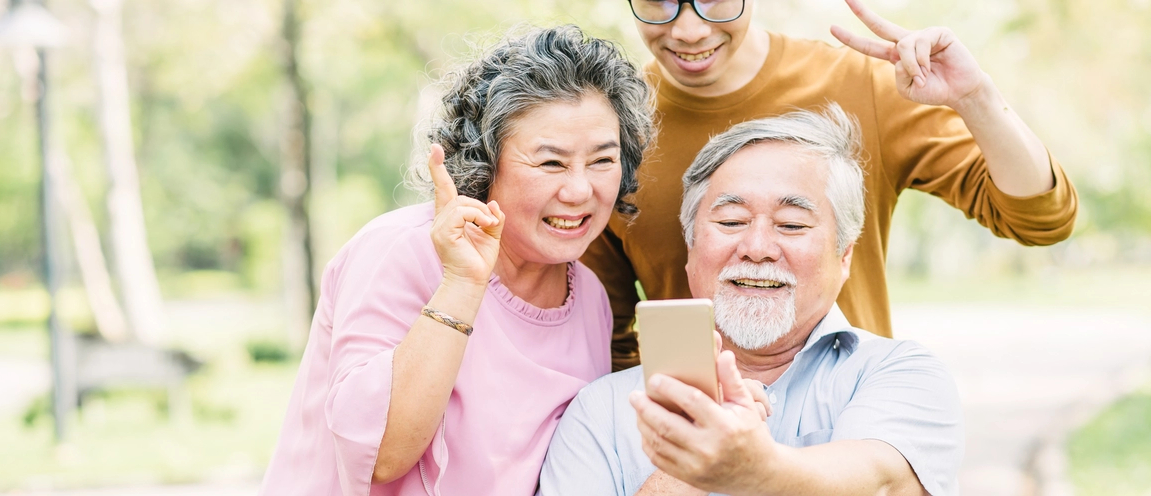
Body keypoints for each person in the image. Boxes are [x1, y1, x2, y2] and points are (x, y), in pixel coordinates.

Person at [259, 25, 654, 495]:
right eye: (550, 163)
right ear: (486, 163)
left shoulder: (589, 295)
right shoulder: (398, 249)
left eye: (603, 161)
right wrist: (464, 282)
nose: (579, 191)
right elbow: (381, 457)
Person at [591, 0, 1080, 370]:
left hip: (854, 431)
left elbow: (1039, 218)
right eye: (658, 0)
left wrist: (976, 98)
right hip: (699, 445)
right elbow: (603, 338)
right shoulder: (612, 130)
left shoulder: (859, 84)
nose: (689, 29)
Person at [540, 105, 964, 495]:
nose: (757, 246)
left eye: (792, 224)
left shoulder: (898, 372)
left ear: (845, 255)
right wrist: (688, 462)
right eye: (731, 221)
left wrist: (751, 467)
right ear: (691, 250)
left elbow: (882, 483)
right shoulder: (603, 411)